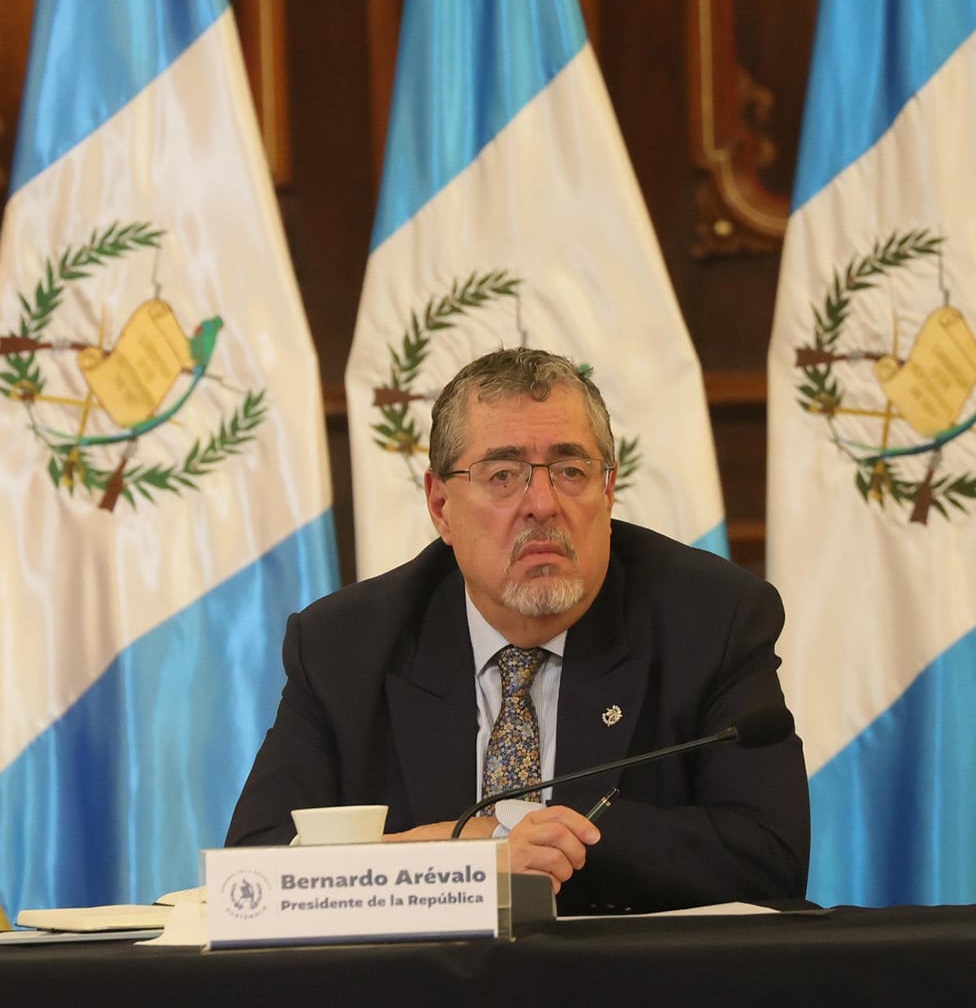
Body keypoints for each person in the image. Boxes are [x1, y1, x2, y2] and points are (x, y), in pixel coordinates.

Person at [226, 348, 809, 913]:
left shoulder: (712, 618)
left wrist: (539, 840)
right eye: (502, 475)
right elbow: (254, 871)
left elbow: (768, 855)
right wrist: (460, 858)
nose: (542, 504)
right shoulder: (344, 645)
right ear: (440, 505)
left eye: (570, 470)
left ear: (607, 491)